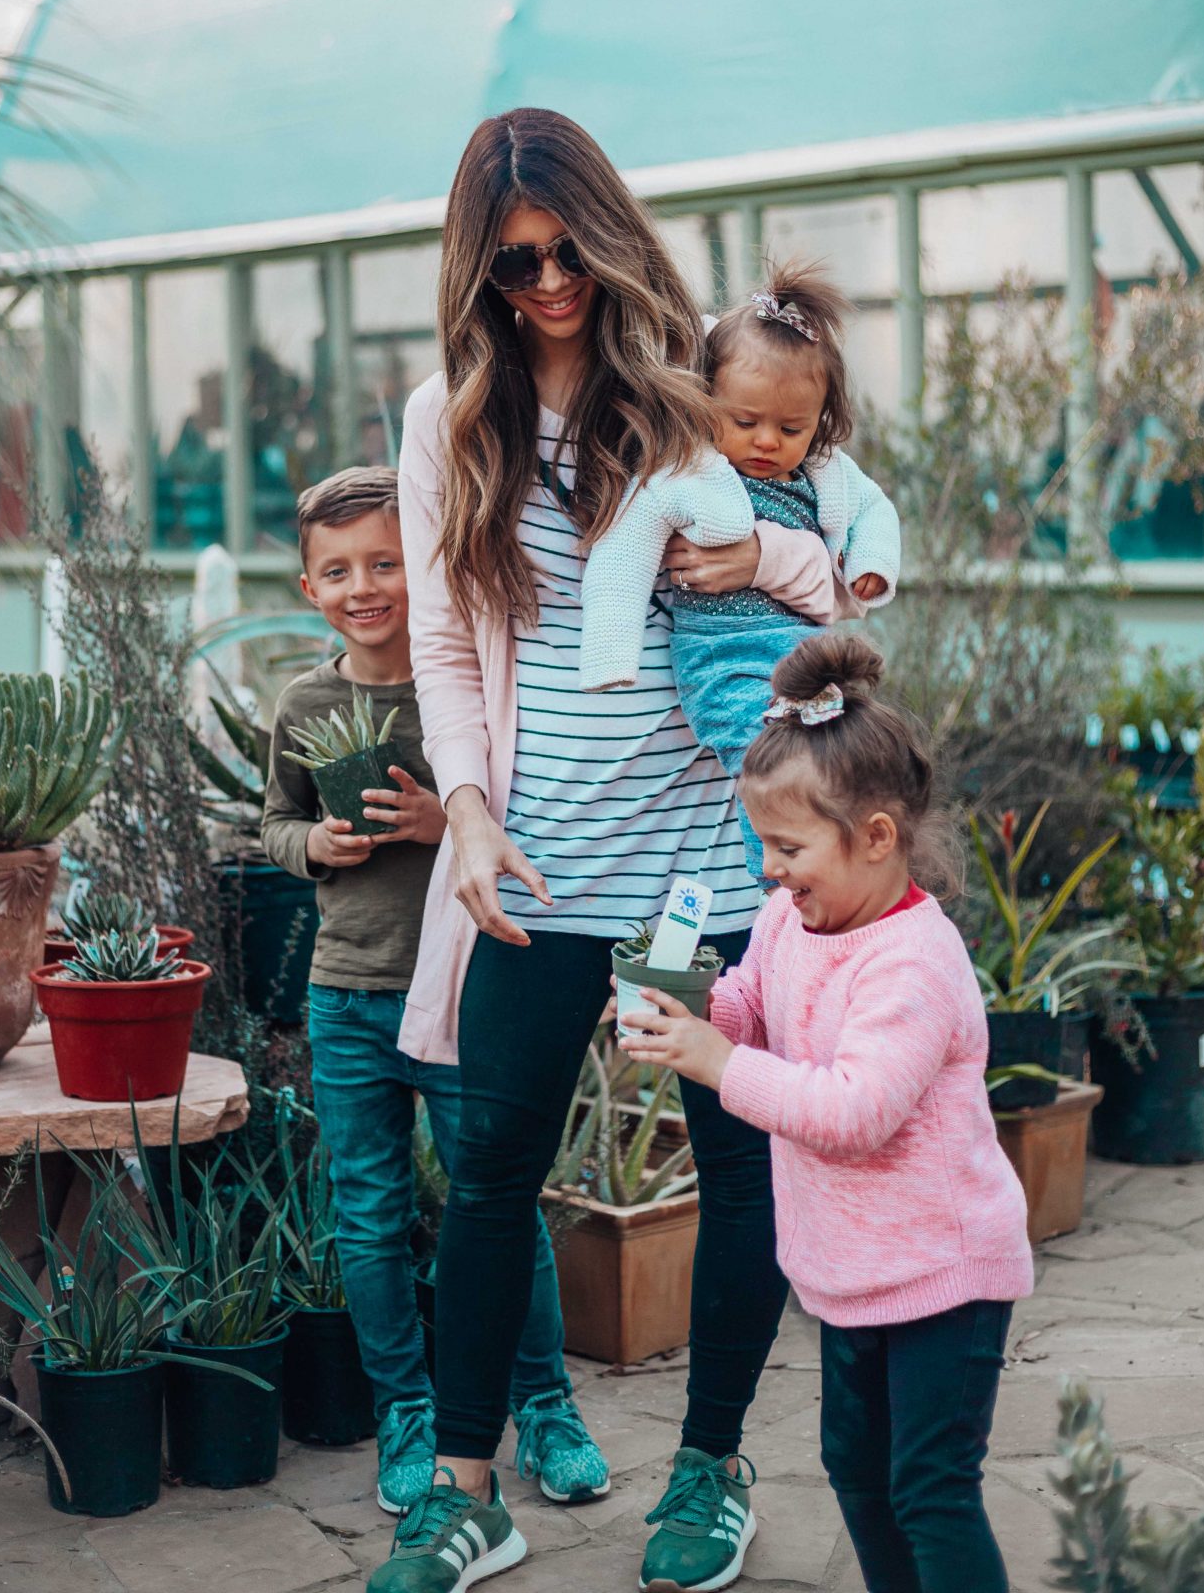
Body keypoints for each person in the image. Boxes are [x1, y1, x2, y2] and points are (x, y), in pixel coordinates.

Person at [370, 108, 865, 1593]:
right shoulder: (441, 420)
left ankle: (711, 1468)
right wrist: (464, 809)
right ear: (477, 271)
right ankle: (469, 1493)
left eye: (563, 249)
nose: (544, 284)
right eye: (510, 264)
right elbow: (446, 653)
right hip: (541, 880)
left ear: (604, 231)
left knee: (730, 1155)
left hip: (693, 878)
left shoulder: (696, 391)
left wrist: (765, 556)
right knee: (494, 1169)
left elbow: (834, 567)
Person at [623, 634, 1033, 1593]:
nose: (767, 869)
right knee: (857, 1469)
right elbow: (751, 1008)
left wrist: (720, 1064)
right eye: (759, 843)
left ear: (878, 837)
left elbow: (856, 1112)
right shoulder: (789, 920)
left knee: (929, 1486)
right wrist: (690, 1004)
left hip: (943, 1270)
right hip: (847, 1265)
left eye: (789, 847)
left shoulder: (913, 963)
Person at [261, 465, 608, 1520]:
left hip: (466, 984)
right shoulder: (304, 702)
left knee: (493, 1199)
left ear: (422, 563)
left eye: (384, 560)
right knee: (366, 1214)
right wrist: (311, 843)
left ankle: (543, 1401)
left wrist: (441, 823)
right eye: (338, 569)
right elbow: (272, 820)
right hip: (349, 994)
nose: (364, 584)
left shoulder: (465, 688)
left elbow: (513, 810)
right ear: (309, 586)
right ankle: (406, 1408)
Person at [579, 262, 900, 885]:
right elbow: (623, 554)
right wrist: (611, 653)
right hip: (723, 659)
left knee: (839, 766)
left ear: (820, 420)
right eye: (745, 422)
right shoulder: (686, 473)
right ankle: (780, 888)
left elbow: (873, 508)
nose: (766, 442)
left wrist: (871, 565)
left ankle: (844, 885)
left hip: (806, 656)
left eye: (791, 428)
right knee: (772, 770)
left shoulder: (825, 472)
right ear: (706, 402)